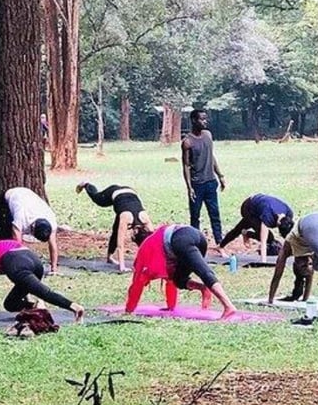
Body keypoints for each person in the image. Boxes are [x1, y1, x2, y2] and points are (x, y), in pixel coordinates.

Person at [125, 224, 238, 318]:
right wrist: (171, 307)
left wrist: (129, 309)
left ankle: (228, 306)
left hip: (181, 239)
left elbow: (137, 282)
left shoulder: (146, 247)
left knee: (203, 271)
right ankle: (203, 288)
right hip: (198, 236)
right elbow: (170, 279)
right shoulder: (158, 237)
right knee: (178, 279)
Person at [0, 237, 84, 322]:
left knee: (44, 293)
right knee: (10, 304)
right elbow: (24, 284)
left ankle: (74, 307)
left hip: (17, 262)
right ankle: (35, 306)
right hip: (34, 261)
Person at [76, 183, 152, 270]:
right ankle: (86, 184)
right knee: (98, 200)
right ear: (135, 232)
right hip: (115, 192)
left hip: (130, 192)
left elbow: (153, 243)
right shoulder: (126, 218)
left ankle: (109, 257)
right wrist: (122, 267)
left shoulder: (145, 218)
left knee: (116, 230)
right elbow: (120, 245)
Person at [181, 110, 226, 246]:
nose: (205, 122)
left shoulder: (208, 135)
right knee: (195, 216)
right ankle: (195, 243)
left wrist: (220, 175)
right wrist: (189, 187)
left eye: (206, 119)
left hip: (211, 182)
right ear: (194, 120)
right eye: (202, 119)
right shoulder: (187, 142)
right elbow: (186, 165)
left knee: (215, 214)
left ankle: (219, 242)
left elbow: (211, 156)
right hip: (197, 184)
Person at [1, 186, 60, 272]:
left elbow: (53, 244)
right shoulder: (21, 216)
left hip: (27, 196)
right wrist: (21, 264)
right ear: (33, 227)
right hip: (9, 198)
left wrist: (54, 268)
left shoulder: (51, 220)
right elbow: (17, 241)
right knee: (5, 236)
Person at [222, 193, 295, 259]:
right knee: (269, 237)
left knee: (239, 228)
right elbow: (263, 241)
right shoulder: (268, 216)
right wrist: (264, 262)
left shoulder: (289, 214)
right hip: (248, 207)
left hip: (260, 206)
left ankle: (243, 234)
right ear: (278, 224)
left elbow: (292, 236)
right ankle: (244, 234)